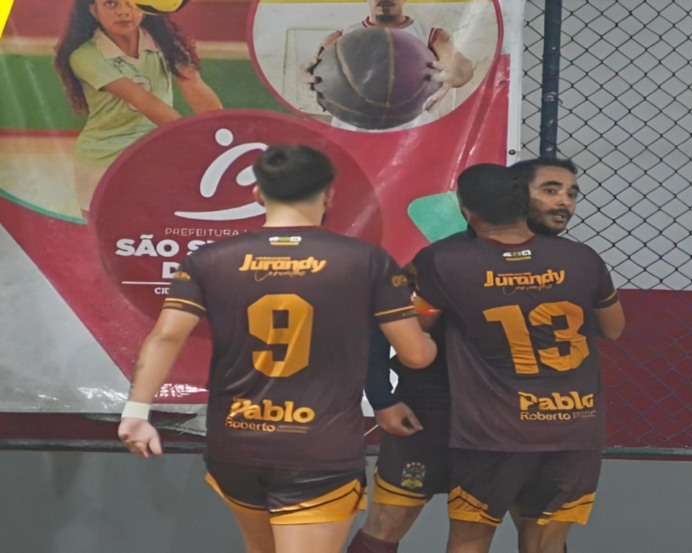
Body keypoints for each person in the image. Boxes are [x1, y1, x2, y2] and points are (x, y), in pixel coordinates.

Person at [117, 144, 437, 553]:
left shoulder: (209, 259)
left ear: (256, 193)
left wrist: (136, 412)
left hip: (236, 444)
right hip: (317, 449)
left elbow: (165, 337)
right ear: (329, 195)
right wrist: (429, 334)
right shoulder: (366, 261)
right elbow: (415, 356)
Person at [347, 158, 584, 553]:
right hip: (433, 414)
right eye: (550, 190)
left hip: (521, 422)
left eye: (572, 194)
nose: (563, 202)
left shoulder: (573, 264)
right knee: (388, 522)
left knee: (539, 535)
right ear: (515, 196)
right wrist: (382, 398)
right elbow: (382, 324)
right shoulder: (441, 259)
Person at [410, 163, 625, 553]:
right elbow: (613, 327)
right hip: (574, 425)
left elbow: (415, 331)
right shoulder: (582, 259)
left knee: (470, 539)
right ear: (524, 204)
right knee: (546, 543)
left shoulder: (444, 260)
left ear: (465, 210)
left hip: (493, 432)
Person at [54, 0, 222, 218]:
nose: (124, 12)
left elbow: (193, 85)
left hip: (154, 153)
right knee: (100, 237)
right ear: (93, 10)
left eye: (132, 3)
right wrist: (190, 137)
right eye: (111, 4)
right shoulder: (84, 55)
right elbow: (142, 101)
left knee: (157, 233)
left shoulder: (164, 42)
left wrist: (222, 131)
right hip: (103, 157)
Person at [303, 0, 474, 131]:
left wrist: (456, 72)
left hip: (412, 134)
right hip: (354, 131)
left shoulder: (432, 37)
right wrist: (306, 75)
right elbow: (312, 76)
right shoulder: (339, 39)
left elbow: (461, 69)